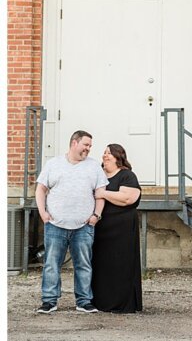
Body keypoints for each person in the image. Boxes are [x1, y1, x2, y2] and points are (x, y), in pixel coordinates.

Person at [35, 130, 108, 313]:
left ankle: (83, 301)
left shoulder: (93, 167)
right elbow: (40, 189)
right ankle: (49, 301)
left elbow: (100, 195)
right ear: (74, 143)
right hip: (55, 225)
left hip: (84, 226)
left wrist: (96, 216)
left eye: (90, 146)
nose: (88, 149)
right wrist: (43, 213)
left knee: (83, 264)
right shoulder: (54, 164)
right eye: (86, 145)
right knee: (52, 264)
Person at [92, 144, 143, 313]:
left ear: (118, 156)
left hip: (123, 229)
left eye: (109, 153)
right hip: (101, 228)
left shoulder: (126, 175)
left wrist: (104, 194)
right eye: (104, 153)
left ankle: (122, 303)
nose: (105, 156)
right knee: (101, 264)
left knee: (121, 264)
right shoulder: (97, 175)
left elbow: (128, 198)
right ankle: (100, 302)